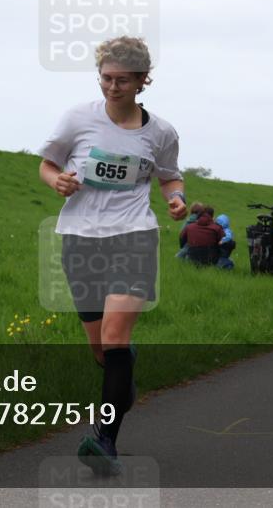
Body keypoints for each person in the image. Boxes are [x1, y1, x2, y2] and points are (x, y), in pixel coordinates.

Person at [38, 36, 187, 476]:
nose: (112, 87)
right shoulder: (77, 119)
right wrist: (56, 182)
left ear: (143, 81)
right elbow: (47, 164)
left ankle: (105, 442)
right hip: (80, 238)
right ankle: (121, 377)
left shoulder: (161, 133)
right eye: (106, 78)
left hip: (134, 237)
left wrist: (176, 199)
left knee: (116, 335)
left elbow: (170, 178)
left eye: (123, 80)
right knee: (102, 347)